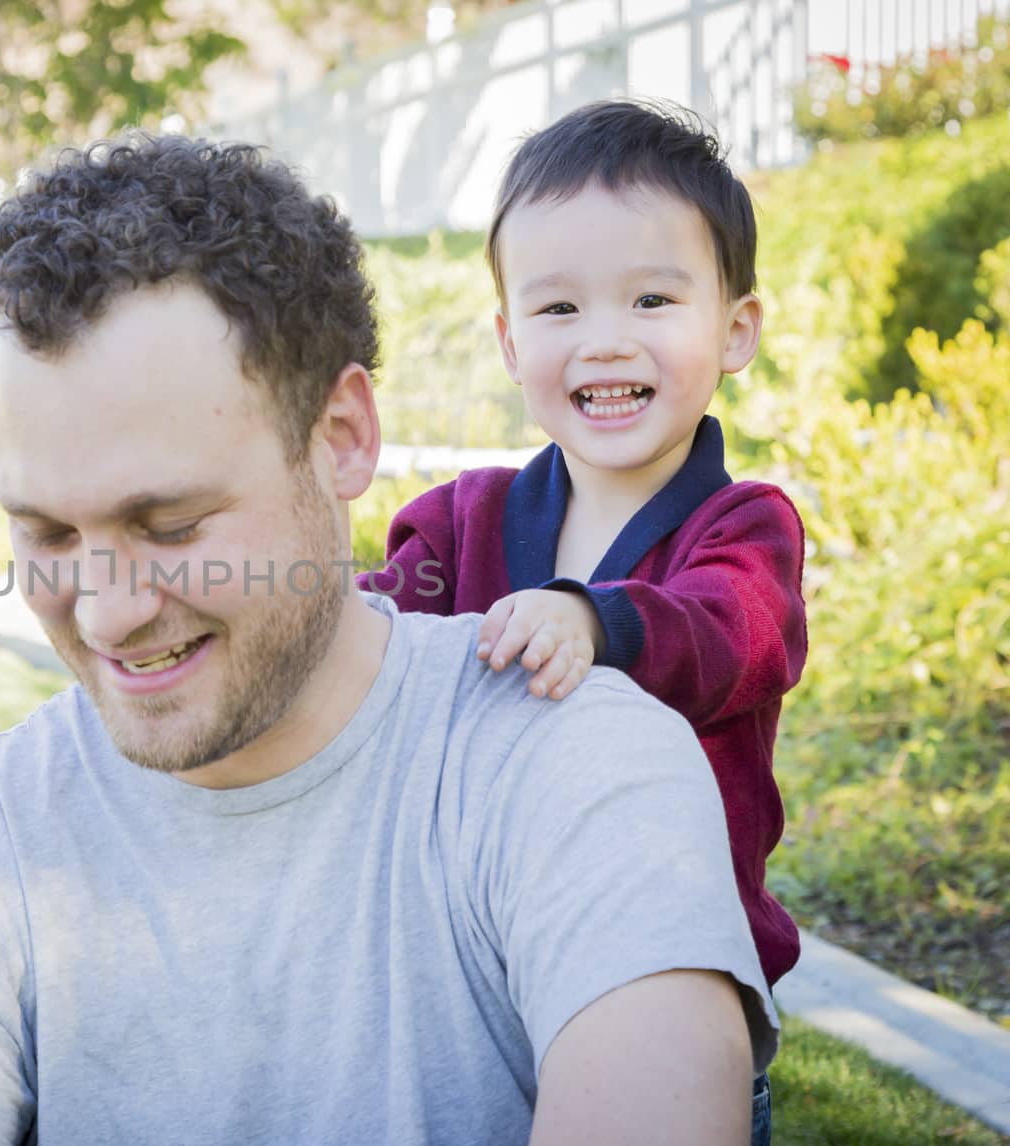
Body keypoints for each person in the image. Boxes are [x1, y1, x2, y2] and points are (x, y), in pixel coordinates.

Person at [0, 131, 778, 1146]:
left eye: (173, 525)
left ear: (342, 440)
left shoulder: (582, 769)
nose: (105, 613)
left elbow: (733, 624)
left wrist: (599, 618)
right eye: (48, 533)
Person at [361, 99, 808, 1144]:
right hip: (476, 974)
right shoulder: (458, 521)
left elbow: (733, 630)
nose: (604, 342)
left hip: (662, 976)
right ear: (511, 342)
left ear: (733, 329)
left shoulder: (741, 529)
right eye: (559, 312)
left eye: (651, 298)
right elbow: (375, 640)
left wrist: (595, 620)